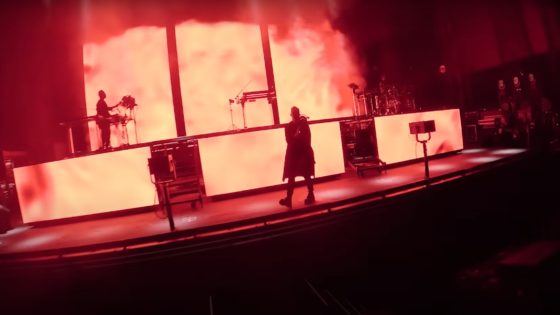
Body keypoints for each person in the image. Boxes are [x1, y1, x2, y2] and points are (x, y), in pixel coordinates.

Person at [279, 106, 315, 208]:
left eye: (295, 114)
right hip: (295, 154)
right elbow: (290, 141)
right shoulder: (291, 126)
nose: (294, 116)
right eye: (294, 114)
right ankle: (290, 198)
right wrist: (296, 134)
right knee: (294, 176)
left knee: (305, 175)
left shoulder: (303, 125)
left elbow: (305, 139)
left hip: (301, 153)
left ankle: (309, 195)